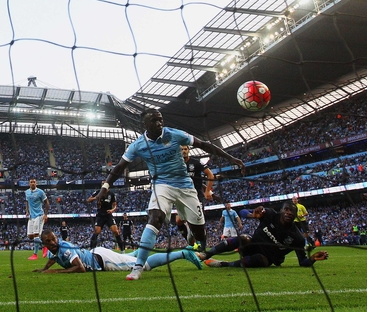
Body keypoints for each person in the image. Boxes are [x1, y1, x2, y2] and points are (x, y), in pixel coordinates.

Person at [97, 108, 245, 280]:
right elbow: (119, 168)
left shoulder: (175, 135)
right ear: (144, 124)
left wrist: (231, 159)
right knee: (155, 219)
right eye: (154, 121)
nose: (159, 123)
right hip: (161, 185)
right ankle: (137, 268)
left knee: (199, 233)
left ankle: (195, 239)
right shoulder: (138, 145)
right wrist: (105, 188)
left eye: (160, 119)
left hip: (185, 186)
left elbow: (204, 145)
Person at [200, 203, 329, 268]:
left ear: (295, 215)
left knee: (260, 259)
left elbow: (302, 262)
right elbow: (242, 211)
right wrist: (252, 215)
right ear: (281, 210)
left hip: (266, 258)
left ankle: (224, 265)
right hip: (250, 246)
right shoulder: (269, 214)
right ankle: (207, 254)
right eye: (287, 209)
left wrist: (312, 259)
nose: (289, 213)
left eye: (292, 211)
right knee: (244, 237)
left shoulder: (297, 238)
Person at [33, 229, 202, 273]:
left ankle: (183, 253)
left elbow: (80, 268)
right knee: (129, 257)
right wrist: (44, 268)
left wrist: (54, 272)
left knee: (143, 266)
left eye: (54, 238)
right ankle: (139, 251)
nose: (53, 242)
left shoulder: (65, 248)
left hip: (103, 261)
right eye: (49, 241)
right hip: (98, 253)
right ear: (45, 244)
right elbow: (53, 258)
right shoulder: (53, 250)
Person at [175, 145, 215, 247]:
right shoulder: (175, 164)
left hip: (196, 196)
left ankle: (203, 248)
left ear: (188, 150)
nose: (183, 151)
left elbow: (210, 175)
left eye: (185, 149)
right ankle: (191, 241)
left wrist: (207, 191)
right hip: (182, 197)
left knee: (199, 226)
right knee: (179, 221)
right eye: (181, 149)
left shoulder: (196, 162)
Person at [25, 178, 49, 260]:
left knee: (36, 235)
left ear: (36, 184)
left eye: (34, 182)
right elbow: (27, 202)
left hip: (39, 215)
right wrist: (27, 211)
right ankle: (45, 245)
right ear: (29, 184)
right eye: (31, 182)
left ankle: (35, 254)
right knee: (30, 236)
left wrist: (45, 214)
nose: (32, 183)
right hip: (31, 216)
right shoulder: (27, 192)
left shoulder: (40, 192)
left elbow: (47, 203)